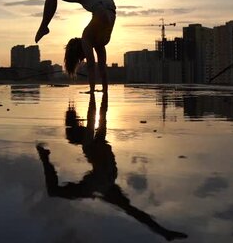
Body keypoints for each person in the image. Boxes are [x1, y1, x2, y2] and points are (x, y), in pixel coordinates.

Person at [35, 92, 188, 241]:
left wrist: (96, 96)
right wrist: (100, 94)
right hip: (104, 181)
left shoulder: (90, 141)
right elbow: (100, 113)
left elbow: (95, 116)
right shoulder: (97, 138)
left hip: (102, 181)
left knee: (54, 191)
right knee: (130, 210)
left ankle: (44, 156)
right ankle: (162, 232)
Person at [34, 0, 185, 92]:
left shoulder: (87, 38)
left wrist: (93, 91)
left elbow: (94, 66)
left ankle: (44, 26)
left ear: (79, 52)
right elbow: (101, 68)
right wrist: (103, 91)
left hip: (99, 4)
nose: (84, 58)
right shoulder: (98, 41)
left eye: (81, 57)